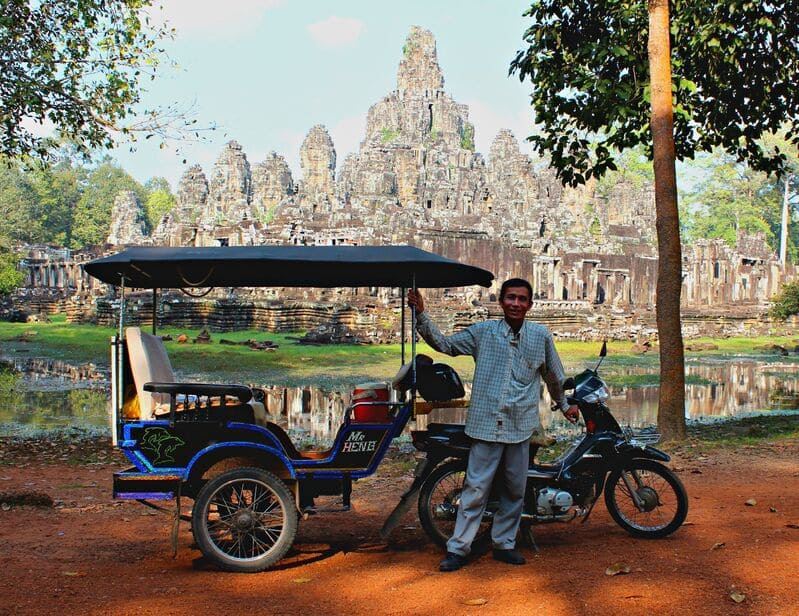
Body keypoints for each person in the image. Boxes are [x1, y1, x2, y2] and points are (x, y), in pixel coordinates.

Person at [408, 278, 579, 572]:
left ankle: (504, 544)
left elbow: (554, 375)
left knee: (514, 489)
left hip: (520, 423)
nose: (516, 303)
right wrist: (422, 315)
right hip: (486, 422)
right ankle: (458, 549)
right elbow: (446, 345)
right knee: (476, 489)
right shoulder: (483, 332)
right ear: (501, 302)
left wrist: (564, 405)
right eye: (510, 298)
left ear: (529, 304)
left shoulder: (540, 336)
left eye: (522, 299)